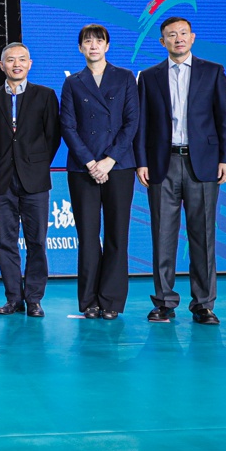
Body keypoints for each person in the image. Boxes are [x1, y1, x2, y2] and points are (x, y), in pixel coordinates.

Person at [137, 17, 226, 325]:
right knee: (162, 236)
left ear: (192, 37)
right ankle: (164, 302)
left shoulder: (213, 71)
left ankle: (203, 304)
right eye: (171, 35)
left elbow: (224, 118)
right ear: (162, 42)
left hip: (202, 163)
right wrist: (141, 161)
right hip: (162, 163)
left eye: (183, 33)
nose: (178, 38)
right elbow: (142, 124)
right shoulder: (149, 77)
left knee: (203, 235)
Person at [60, 24, 138, 320]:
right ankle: (90, 301)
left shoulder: (125, 77)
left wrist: (109, 160)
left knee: (117, 234)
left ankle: (112, 300)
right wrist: (91, 163)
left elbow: (132, 121)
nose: (93, 46)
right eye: (88, 41)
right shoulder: (73, 82)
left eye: (99, 41)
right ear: (80, 47)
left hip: (119, 166)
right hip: (83, 168)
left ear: (107, 46)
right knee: (88, 236)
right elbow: (67, 126)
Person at [0, 42, 61, 318]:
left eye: (22, 59)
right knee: (6, 242)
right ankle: (13, 298)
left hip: (35, 181)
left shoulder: (45, 95)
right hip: (1, 180)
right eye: (10, 60)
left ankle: (34, 299)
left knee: (37, 241)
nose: (16, 64)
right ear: (1, 65)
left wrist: (35, 164)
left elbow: (52, 136)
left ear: (30, 64)